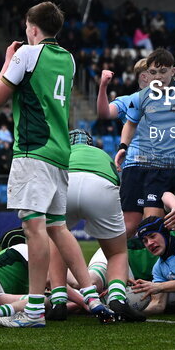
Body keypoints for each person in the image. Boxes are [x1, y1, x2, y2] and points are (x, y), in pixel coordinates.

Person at [0, 1, 114, 328]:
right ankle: (89, 294)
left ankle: (33, 311)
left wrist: (7, 61)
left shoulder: (27, 55)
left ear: (32, 28)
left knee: (35, 228)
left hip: (33, 151)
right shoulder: (68, 59)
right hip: (61, 154)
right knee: (57, 227)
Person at [50, 130, 143, 322]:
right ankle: (117, 298)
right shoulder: (102, 155)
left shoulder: (62, 151)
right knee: (117, 252)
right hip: (101, 185)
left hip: (67, 181)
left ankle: (58, 300)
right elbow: (118, 181)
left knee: (57, 239)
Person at [117, 49, 175, 238]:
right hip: (155, 170)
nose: (159, 76)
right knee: (151, 230)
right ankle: (157, 268)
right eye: (153, 72)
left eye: (163, 71)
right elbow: (131, 123)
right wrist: (123, 147)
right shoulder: (142, 97)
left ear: (173, 71)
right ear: (147, 74)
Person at [97, 61, 150, 235]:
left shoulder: (170, 101)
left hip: (163, 165)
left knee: (157, 223)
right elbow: (104, 113)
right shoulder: (128, 101)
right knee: (130, 224)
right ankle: (110, 259)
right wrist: (103, 86)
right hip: (135, 165)